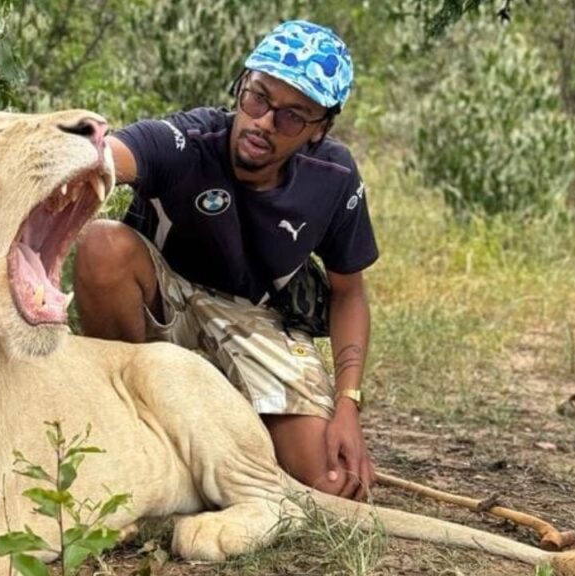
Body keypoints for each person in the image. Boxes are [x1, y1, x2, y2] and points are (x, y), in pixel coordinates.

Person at [74, 20, 377, 501]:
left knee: (331, 484)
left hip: (256, 318)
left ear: (320, 129)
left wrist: (348, 405)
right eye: (257, 98)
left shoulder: (334, 179)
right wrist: (73, 155)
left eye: (291, 117)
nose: (262, 122)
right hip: (164, 296)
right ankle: (128, 417)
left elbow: (349, 292)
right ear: (241, 86)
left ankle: (230, 420)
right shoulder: (189, 140)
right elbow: (111, 155)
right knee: (102, 245)